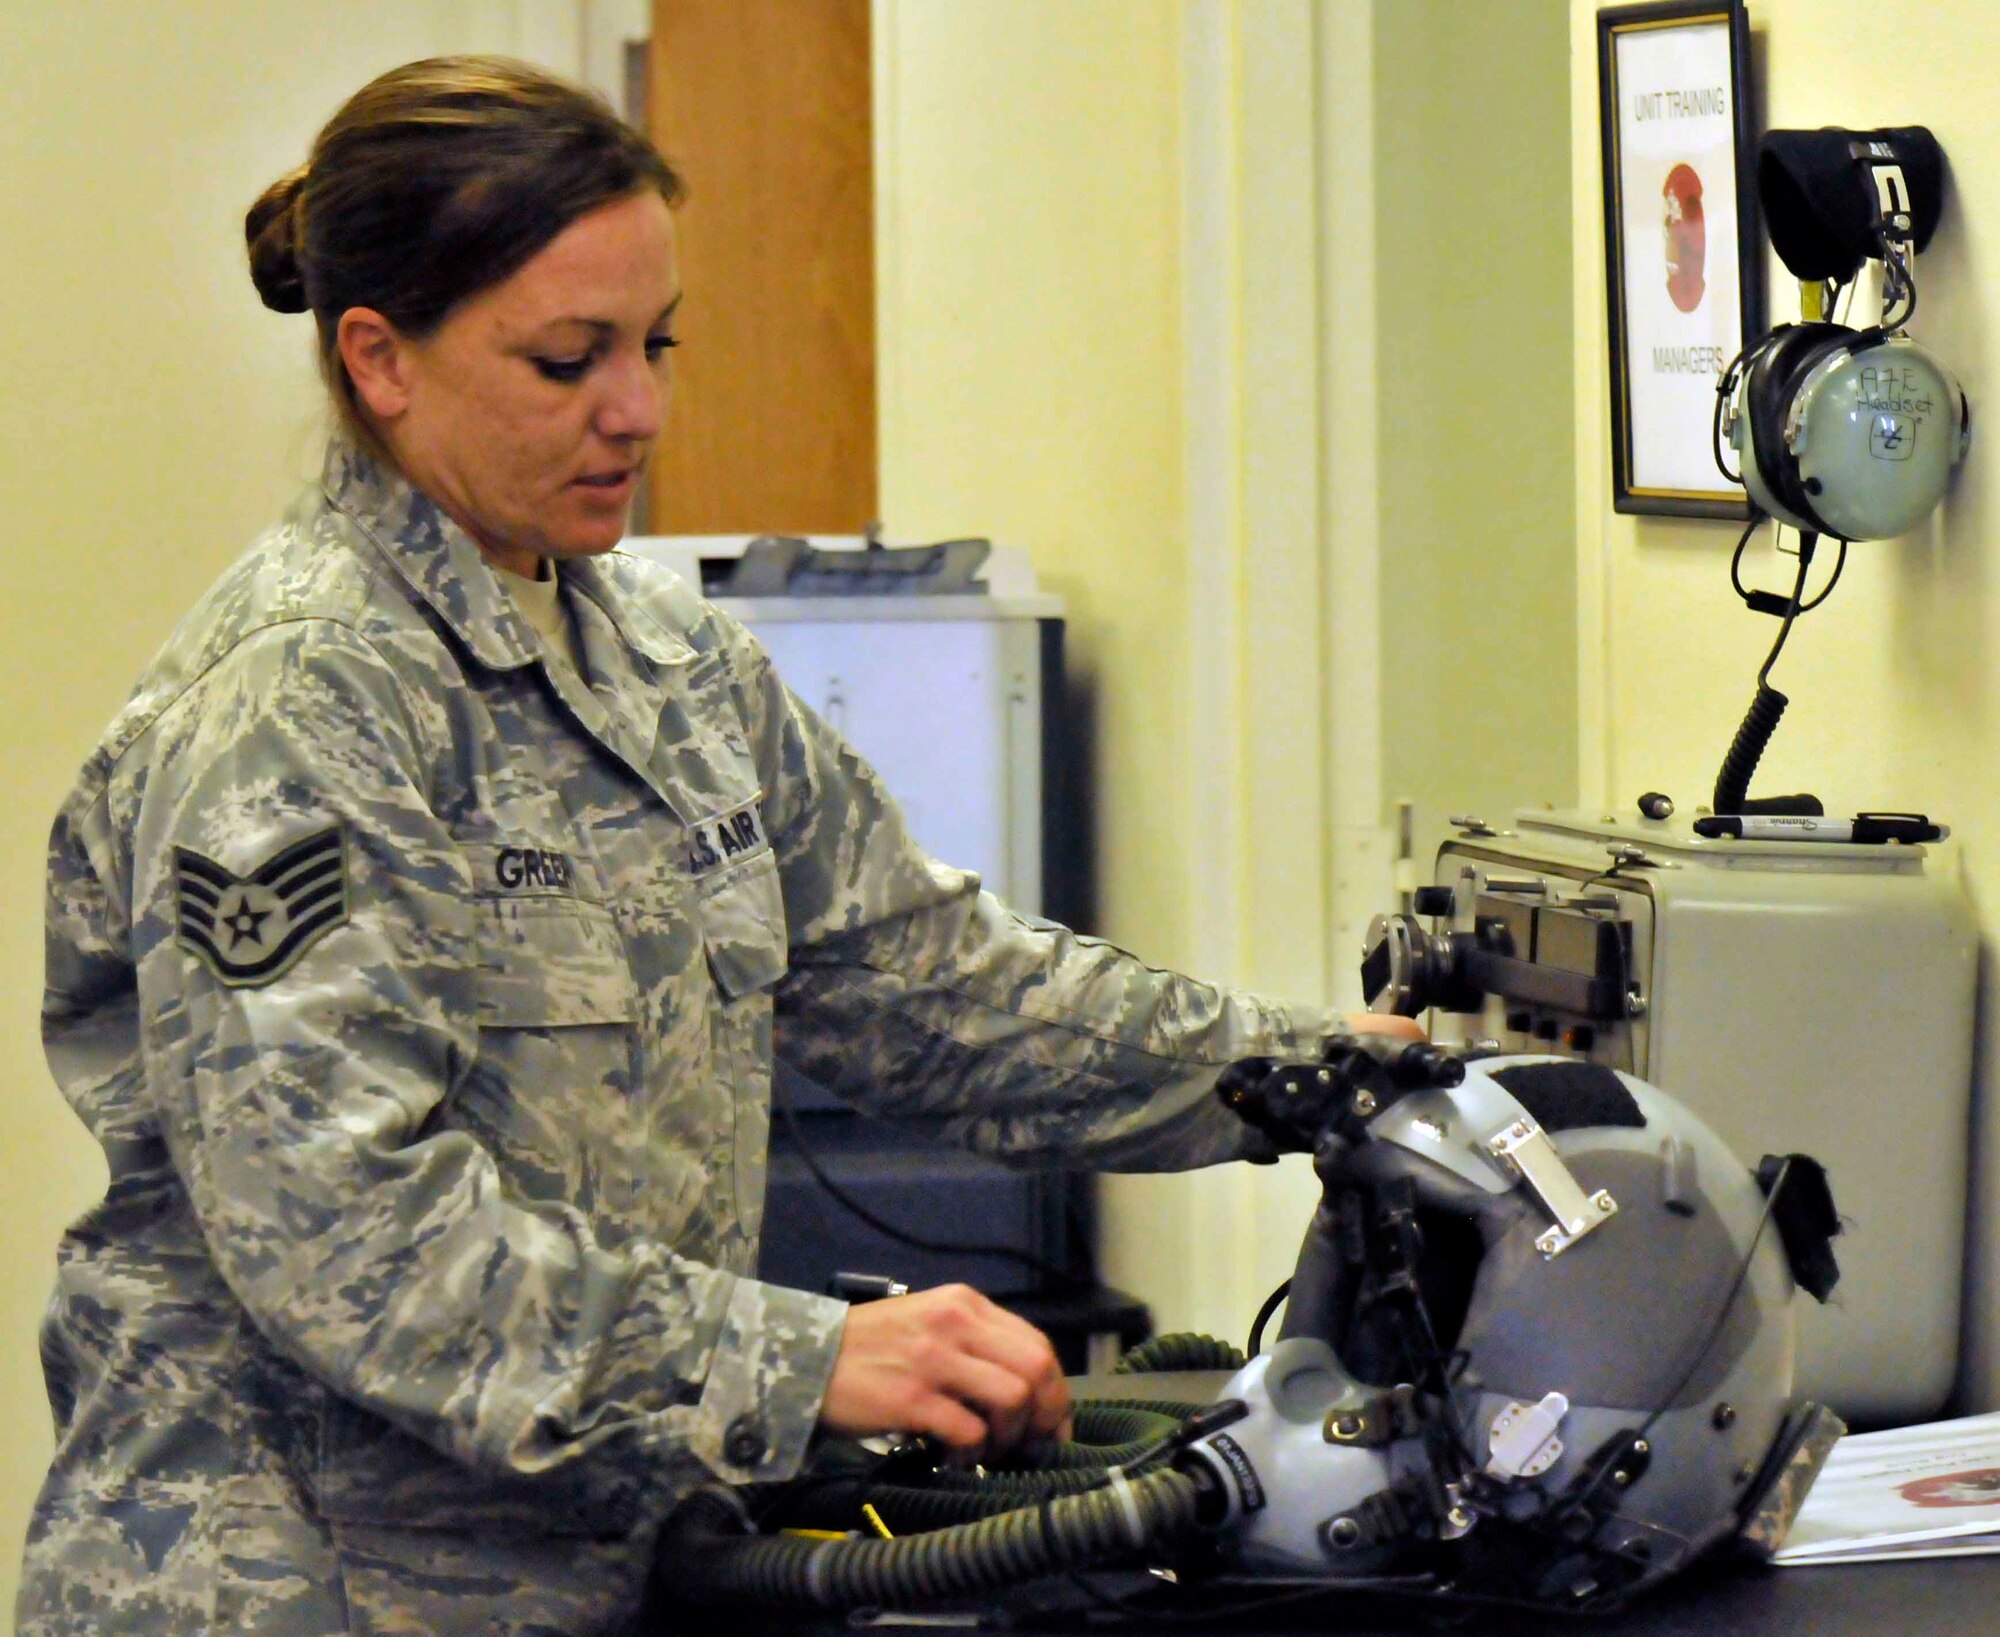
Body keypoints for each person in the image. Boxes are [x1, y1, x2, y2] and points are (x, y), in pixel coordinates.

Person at [18, 56, 1403, 1636]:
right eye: (567, 359)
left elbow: (931, 981)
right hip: (307, 1591)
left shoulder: (668, 665)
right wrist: (801, 1361)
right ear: (379, 360)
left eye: (655, 344)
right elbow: (353, 1241)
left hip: (601, 1570)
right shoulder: (297, 704)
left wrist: (1317, 1075)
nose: (642, 410)